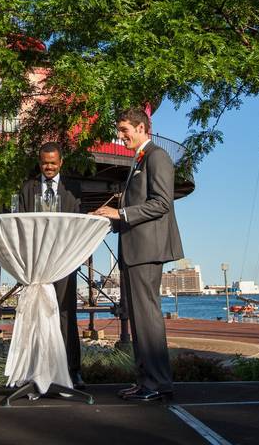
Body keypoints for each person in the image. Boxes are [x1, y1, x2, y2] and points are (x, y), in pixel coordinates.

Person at [92, 108, 183, 401]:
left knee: (147, 317)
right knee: (140, 317)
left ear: (142, 127)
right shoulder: (140, 159)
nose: (120, 136)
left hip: (147, 249)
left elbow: (161, 204)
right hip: (134, 248)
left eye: (124, 130)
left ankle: (157, 384)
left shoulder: (157, 156)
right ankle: (146, 381)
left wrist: (120, 212)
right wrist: (112, 219)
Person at [17, 141, 84, 388]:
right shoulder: (27, 188)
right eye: (45, 162)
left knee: (67, 314)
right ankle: (37, 370)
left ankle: (72, 371)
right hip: (37, 264)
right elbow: (21, 225)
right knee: (35, 315)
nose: (49, 167)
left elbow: (79, 224)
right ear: (39, 161)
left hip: (64, 262)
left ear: (61, 162)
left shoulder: (73, 188)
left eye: (53, 163)